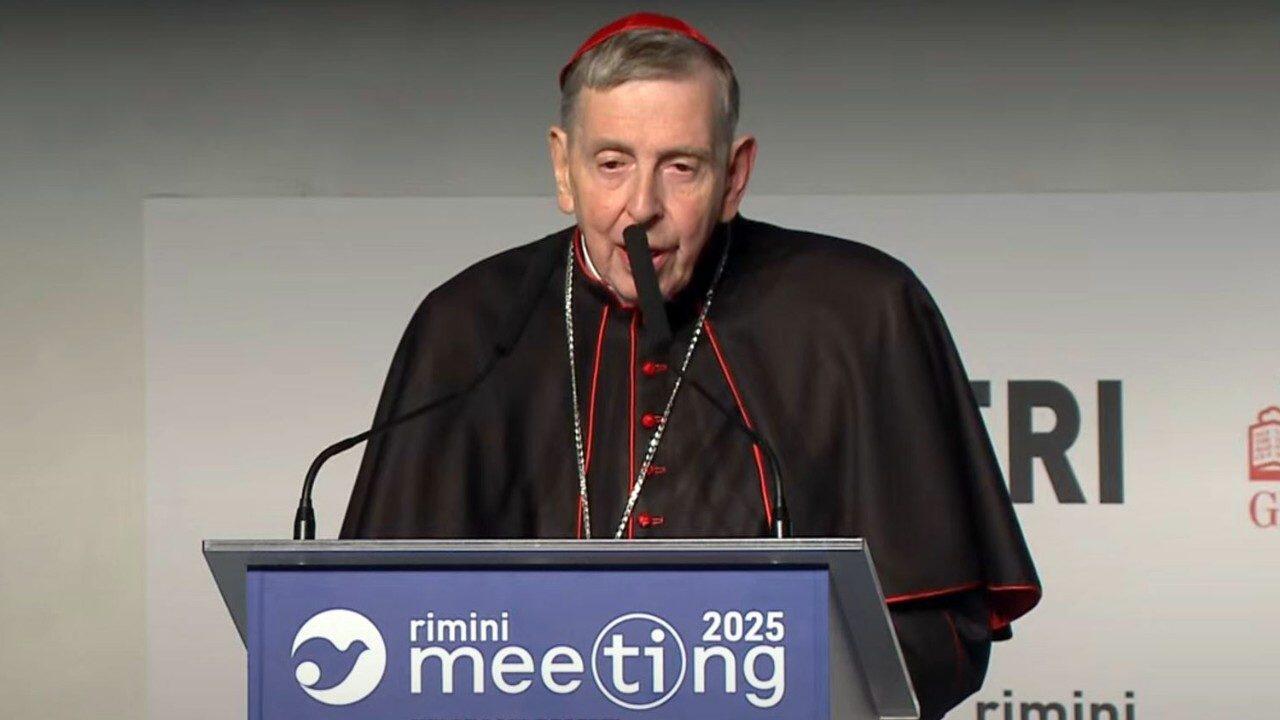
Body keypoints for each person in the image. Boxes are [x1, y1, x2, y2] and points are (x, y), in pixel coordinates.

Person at [341, 12, 1040, 719]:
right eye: (612, 164)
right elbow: (374, 632)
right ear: (563, 167)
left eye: (680, 167)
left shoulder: (860, 312)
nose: (641, 208)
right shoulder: (468, 327)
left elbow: (940, 634)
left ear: (734, 176)